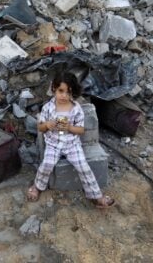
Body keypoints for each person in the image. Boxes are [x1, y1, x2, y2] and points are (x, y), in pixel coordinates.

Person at [27, 72, 115, 208]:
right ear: (54, 89)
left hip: (72, 145)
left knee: (84, 167)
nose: (64, 96)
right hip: (53, 144)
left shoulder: (76, 109)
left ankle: (97, 195)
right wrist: (47, 125)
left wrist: (69, 127)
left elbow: (81, 130)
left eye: (68, 92)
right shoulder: (48, 108)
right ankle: (38, 186)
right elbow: (40, 127)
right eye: (61, 91)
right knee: (47, 164)